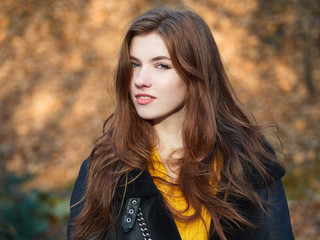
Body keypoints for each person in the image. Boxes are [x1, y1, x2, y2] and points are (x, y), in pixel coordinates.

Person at [67, 7, 294, 240]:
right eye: (134, 64)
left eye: (161, 65)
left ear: (196, 74)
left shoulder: (249, 161)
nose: (140, 80)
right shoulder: (105, 171)